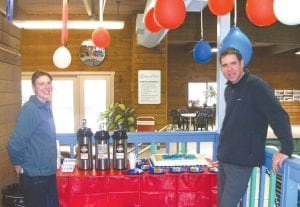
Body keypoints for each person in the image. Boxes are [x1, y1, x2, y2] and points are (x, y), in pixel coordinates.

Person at [217, 48, 294, 207]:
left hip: (241, 161)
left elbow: (278, 115)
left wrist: (286, 149)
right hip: (225, 158)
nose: (229, 69)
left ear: (242, 63)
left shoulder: (256, 86)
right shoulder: (229, 89)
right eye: (225, 65)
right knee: (221, 203)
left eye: (233, 63)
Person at [7, 71, 59, 207]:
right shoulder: (30, 109)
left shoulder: (45, 107)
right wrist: (18, 164)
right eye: (41, 84)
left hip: (48, 171)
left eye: (48, 83)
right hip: (35, 175)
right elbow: (16, 142)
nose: (46, 87)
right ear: (33, 87)